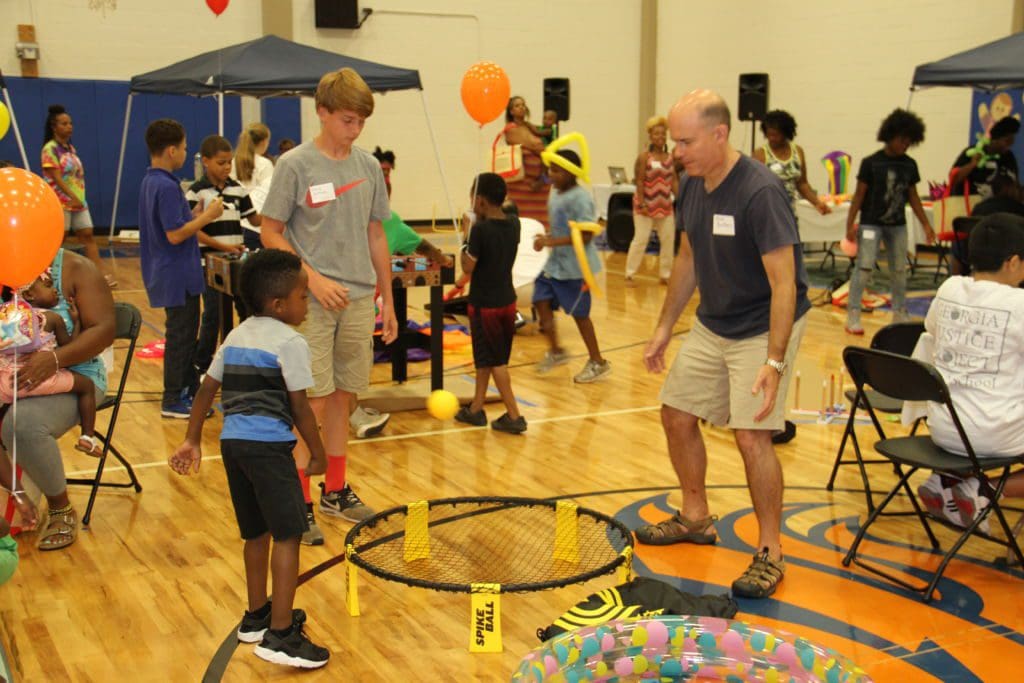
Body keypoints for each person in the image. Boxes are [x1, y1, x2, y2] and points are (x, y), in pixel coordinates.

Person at [634, 90, 810, 599]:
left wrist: (774, 361)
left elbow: (784, 284)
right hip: (715, 321)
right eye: (674, 141)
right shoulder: (692, 184)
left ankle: (771, 550)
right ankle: (694, 516)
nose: (676, 153)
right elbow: (688, 258)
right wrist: (665, 327)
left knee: (752, 435)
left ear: (719, 134)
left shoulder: (760, 192)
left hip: (764, 323)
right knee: (676, 413)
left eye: (685, 142)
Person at [169, 249, 329, 669]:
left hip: (233, 445)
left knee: (255, 534)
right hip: (269, 450)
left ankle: (257, 615)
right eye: (302, 296)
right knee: (288, 534)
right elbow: (301, 408)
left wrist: (192, 440)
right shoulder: (291, 343)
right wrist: (318, 454)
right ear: (278, 304)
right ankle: (281, 635)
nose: (307, 303)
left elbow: (206, 390)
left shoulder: (236, 336)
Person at [261, 68, 398, 546]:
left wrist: (388, 299)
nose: (354, 130)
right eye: (346, 120)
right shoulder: (294, 165)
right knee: (312, 400)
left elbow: (376, 233)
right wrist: (312, 279)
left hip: (358, 300)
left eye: (361, 122)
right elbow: (270, 231)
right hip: (311, 304)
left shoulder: (368, 167)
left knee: (343, 397)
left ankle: (335, 490)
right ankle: (297, 500)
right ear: (322, 112)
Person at [0, 247, 114, 551]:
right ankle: (18, 497)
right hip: (10, 377)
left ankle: (61, 510)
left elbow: (104, 330)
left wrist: (54, 359)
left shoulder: (76, 267)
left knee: (22, 424)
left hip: (75, 375)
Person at [916, 214, 1024, 531]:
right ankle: (985, 491)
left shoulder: (949, 288)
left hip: (945, 427)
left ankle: (946, 481)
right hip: (992, 434)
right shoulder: (1019, 303)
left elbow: (931, 331)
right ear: (1013, 262)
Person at [138, 119, 225, 418]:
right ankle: (173, 398)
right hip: (175, 274)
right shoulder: (165, 185)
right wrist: (207, 216)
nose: (187, 154)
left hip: (169, 272)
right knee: (181, 337)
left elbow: (172, 223)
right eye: (185, 148)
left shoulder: (151, 181)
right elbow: (174, 235)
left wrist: (192, 213)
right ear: (172, 150)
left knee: (185, 334)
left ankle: (186, 392)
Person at [844, 109, 935, 335]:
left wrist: (926, 224)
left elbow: (913, 197)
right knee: (864, 267)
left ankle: (899, 312)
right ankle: (853, 313)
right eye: (902, 140)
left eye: (909, 141)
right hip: (870, 224)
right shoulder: (871, 163)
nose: (905, 145)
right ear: (890, 136)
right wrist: (850, 223)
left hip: (898, 225)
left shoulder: (910, 165)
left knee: (899, 270)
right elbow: (859, 195)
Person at [454, 172, 526, 433]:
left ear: (481, 201)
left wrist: (466, 233)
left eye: (473, 197)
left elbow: (467, 266)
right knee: (486, 358)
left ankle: (514, 415)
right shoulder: (514, 224)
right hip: (507, 302)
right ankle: (476, 408)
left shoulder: (480, 231)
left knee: (496, 362)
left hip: (485, 305)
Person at [533, 149, 612, 383]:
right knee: (540, 299)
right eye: (551, 169)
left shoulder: (581, 198)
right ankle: (556, 350)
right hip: (555, 265)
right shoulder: (555, 192)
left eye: (556, 171)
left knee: (580, 315)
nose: (551, 175)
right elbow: (561, 227)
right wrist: (548, 236)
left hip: (576, 269)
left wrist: (550, 242)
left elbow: (586, 235)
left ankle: (598, 362)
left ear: (571, 173)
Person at [4, 274, 100, 456]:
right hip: (37, 380)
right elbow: (70, 349)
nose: (55, 290)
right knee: (87, 386)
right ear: (30, 295)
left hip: (7, 383)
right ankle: (88, 437)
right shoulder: (51, 318)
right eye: (48, 286)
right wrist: (77, 322)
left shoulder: (7, 317)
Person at [187, 134, 260, 375]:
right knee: (214, 314)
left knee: (246, 310)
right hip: (208, 264)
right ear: (206, 161)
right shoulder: (196, 192)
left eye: (229, 162)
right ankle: (202, 362)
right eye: (221, 162)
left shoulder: (237, 189)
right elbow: (192, 231)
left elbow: (254, 219)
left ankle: (246, 357)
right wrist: (223, 247)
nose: (227, 167)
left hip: (236, 263)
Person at [40, 104, 116, 289]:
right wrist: (70, 196)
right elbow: (56, 177)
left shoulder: (70, 149)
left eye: (70, 123)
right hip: (61, 201)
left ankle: (100, 276)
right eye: (64, 123)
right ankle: (47, 276)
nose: (69, 127)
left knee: (87, 235)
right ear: (54, 126)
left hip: (79, 201)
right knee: (59, 239)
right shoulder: (50, 149)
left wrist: (78, 198)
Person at [625, 115, 679, 285]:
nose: (660, 137)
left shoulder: (670, 157)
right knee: (641, 240)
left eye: (663, 134)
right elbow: (640, 181)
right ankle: (629, 274)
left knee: (668, 240)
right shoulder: (644, 157)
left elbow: (673, 181)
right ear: (650, 136)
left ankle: (665, 275)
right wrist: (642, 203)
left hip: (664, 205)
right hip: (645, 205)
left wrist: (681, 198)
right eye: (656, 134)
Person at [752, 110, 831, 216]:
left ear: (786, 133)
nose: (771, 138)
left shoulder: (797, 151)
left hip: (790, 210)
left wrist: (817, 203)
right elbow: (753, 186)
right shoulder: (760, 154)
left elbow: (802, 184)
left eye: (775, 135)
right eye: (768, 134)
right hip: (768, 211)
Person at [503, 96, 549, 226]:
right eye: (517, 105)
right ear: (511, 111)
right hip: (522, 185)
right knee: (522, 221)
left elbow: (543, 146)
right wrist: (543, 149)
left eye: (523, 104)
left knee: (542, 221)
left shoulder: (530, 127)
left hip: (541, 182)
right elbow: (536, 146)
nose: (522, 107)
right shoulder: (510, 129)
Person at [949, 116, 1020, 200]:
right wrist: (972, 164)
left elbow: (1015, 185)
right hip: (970, 205)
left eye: (1011, 142)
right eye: (1007, 141)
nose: (1009, 146)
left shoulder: (1008, 157)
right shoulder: (972, 152)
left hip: (997, 205)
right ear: (995, 139)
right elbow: (954, 180)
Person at [232, 123, 275, 251]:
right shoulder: (265, 164)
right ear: (263, 142)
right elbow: (269, 196)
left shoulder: (232, 162)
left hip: (237, 223)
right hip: (255, 224)